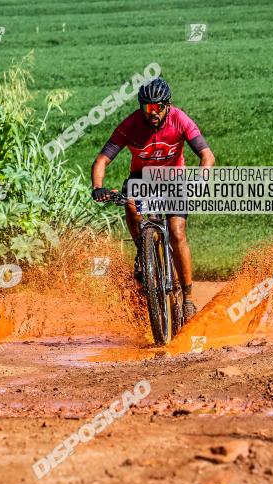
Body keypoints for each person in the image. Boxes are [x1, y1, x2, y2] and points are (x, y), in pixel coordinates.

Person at [91, 77, 215, 322]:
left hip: (174, 178)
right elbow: (102, 160)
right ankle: (143, 250)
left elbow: (207, 156)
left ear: (167, 105)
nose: (153, 113)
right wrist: (98, 187)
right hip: (142, 178)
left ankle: (188, 298)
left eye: (158, 107)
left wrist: (201, 180)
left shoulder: (180, 119)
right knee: (128, 201)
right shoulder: (131, 124)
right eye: (147, 108)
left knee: (177, 232)